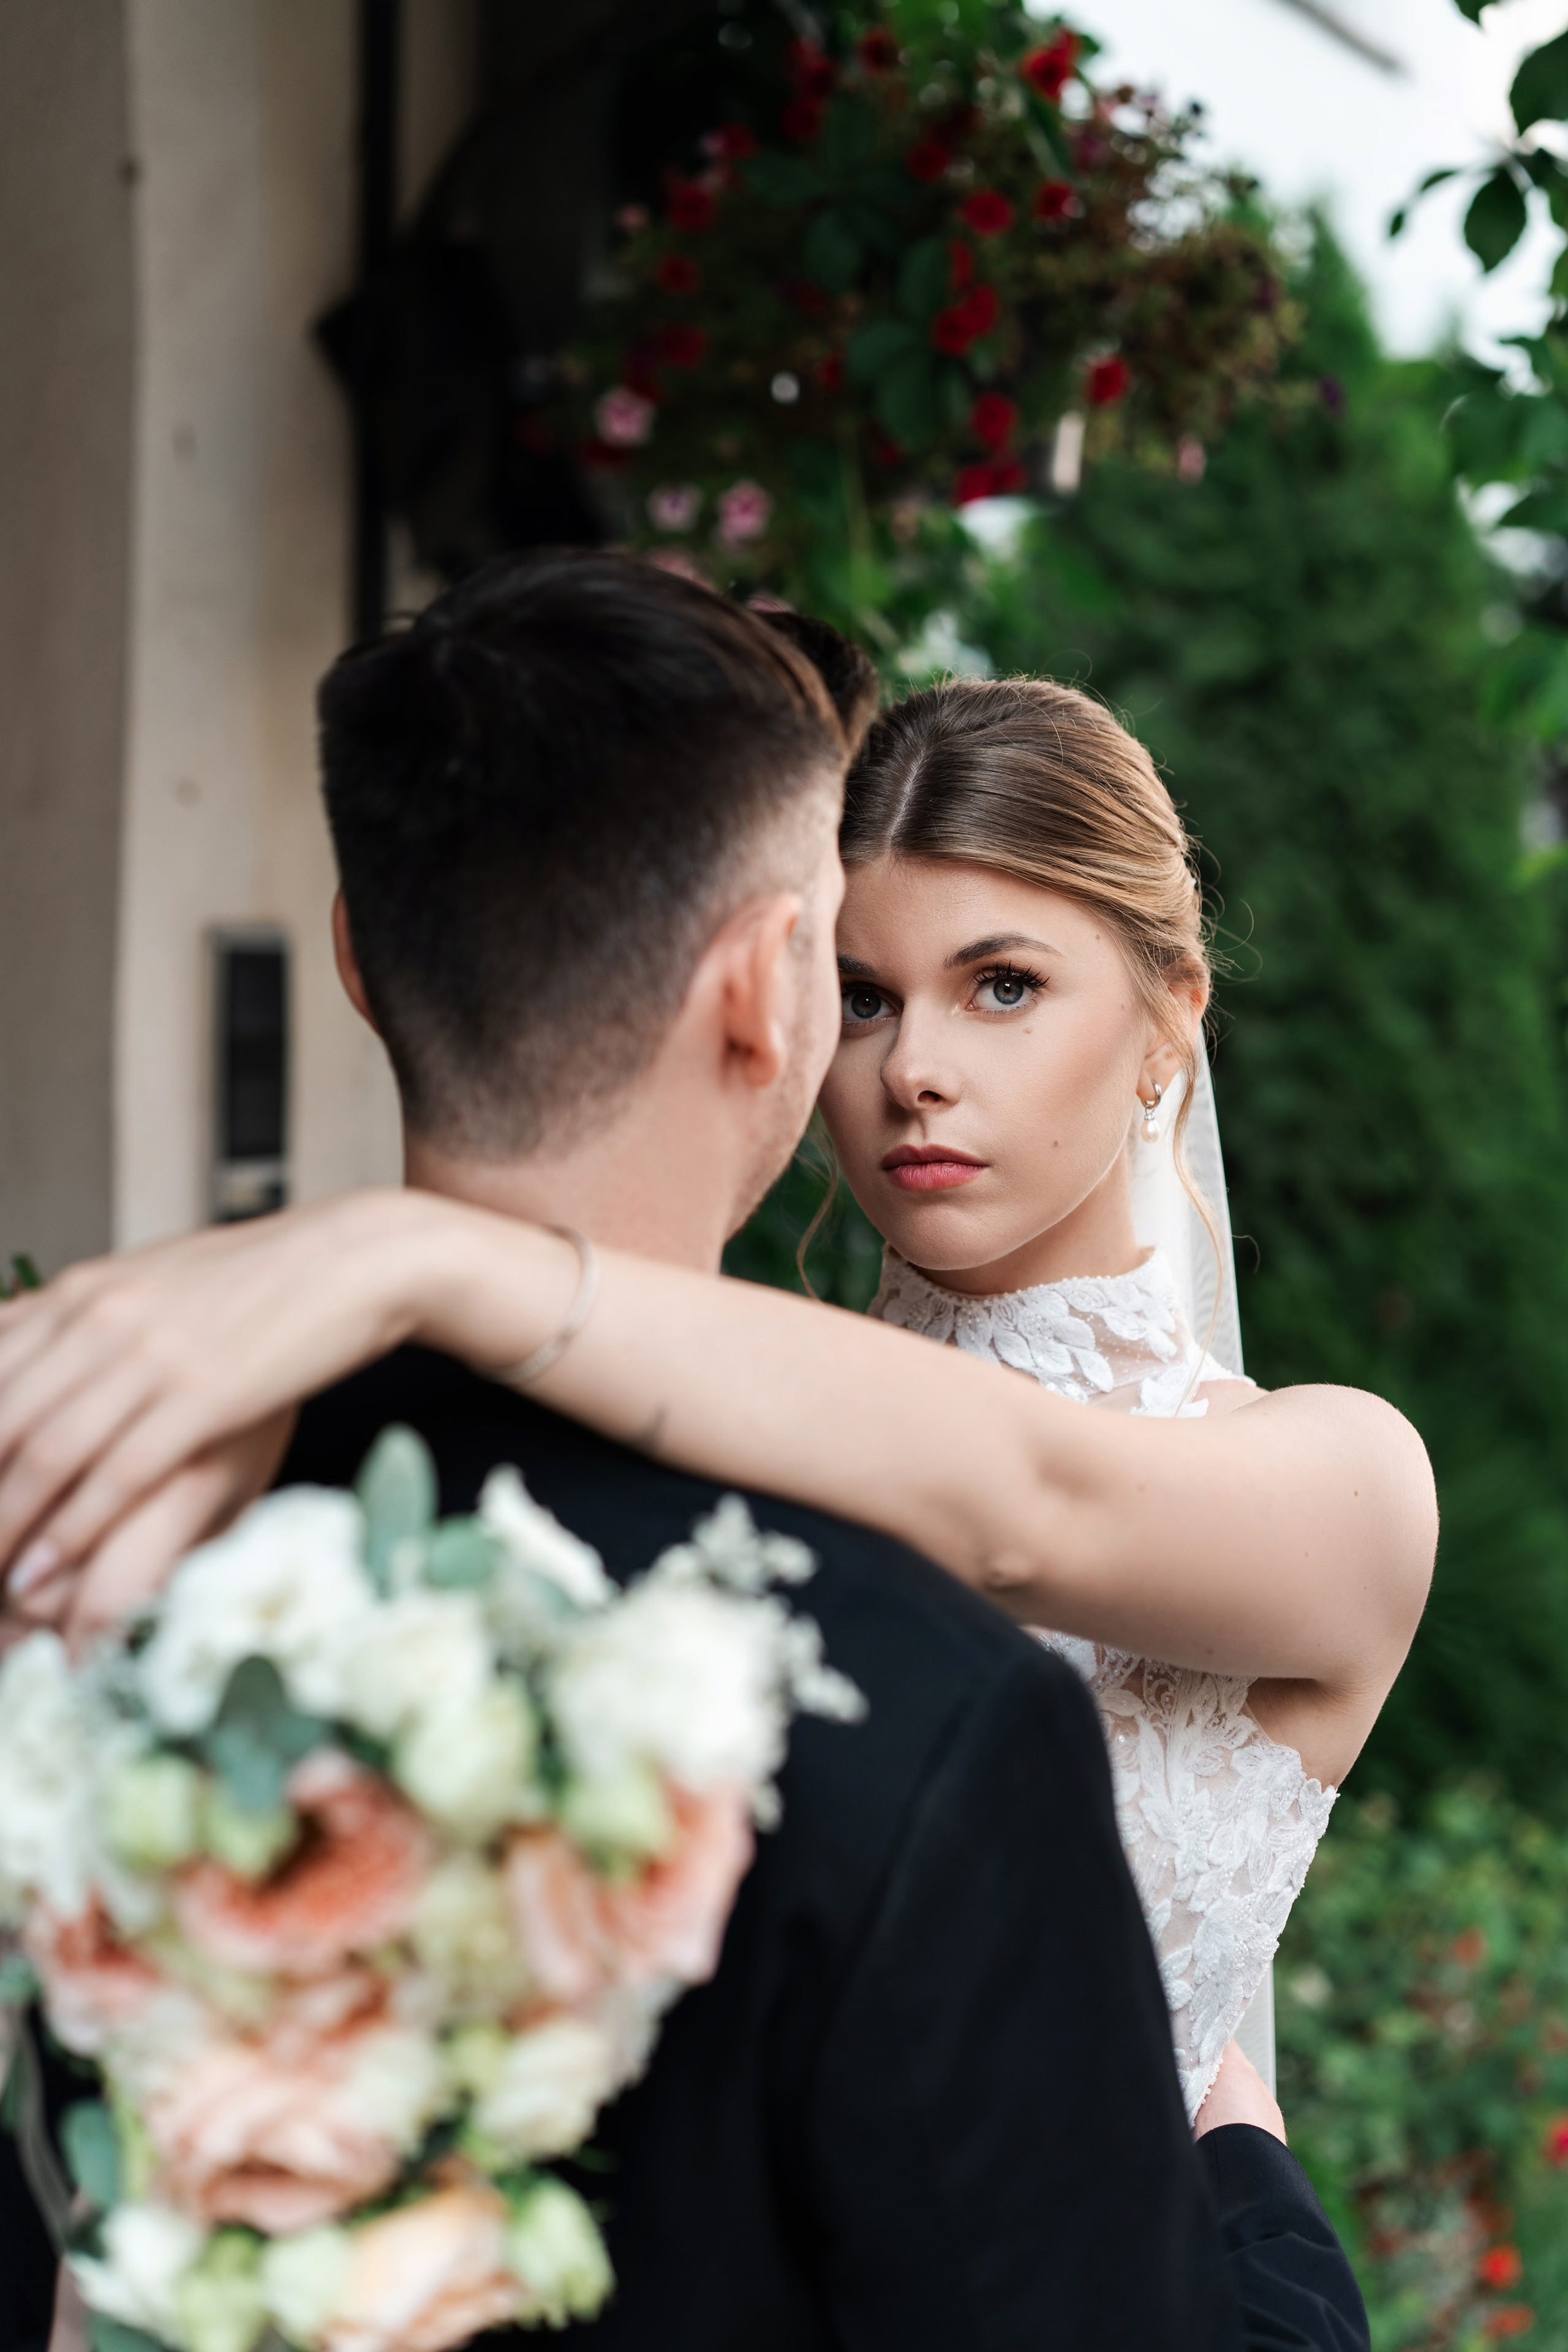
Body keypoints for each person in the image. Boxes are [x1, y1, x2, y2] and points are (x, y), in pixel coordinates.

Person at [0, 551, 1400, 2345]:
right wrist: (1267, 2229)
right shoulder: (697, 1469)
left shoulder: (1326, 1476)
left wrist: (409, 1247)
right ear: (779, 996)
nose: (914, 1070)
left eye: (1003, 985)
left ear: (1169, 1018)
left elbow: (1030, 1498)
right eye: (863, 990)